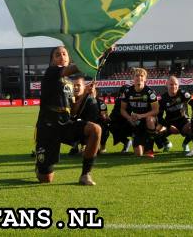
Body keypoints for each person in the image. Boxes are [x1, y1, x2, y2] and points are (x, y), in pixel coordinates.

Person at [34, 46, 101, 186]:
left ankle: (85, 174)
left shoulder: (69, 82)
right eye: (57, 55)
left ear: (68, 58)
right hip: (48, 128)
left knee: (95, 129)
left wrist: (84, 95)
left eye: (64, 54)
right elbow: (74, 68)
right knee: (45, 179)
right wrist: (96, 55)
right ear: (52, 60)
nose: (62, 56)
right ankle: (40, 167)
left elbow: (74, 110)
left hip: (65, 123)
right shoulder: (51, 72)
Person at [155, 76, 193, 157]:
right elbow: (159, 117)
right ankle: (166, 143)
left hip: (184, 121)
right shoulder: (163, 99)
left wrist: (192, 120)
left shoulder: (183, 93)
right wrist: (169, 126)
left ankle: (185, 144)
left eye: (175, 84)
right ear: (167, 85)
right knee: (156, 129)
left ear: (178, 85)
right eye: (171, 84)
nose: (173, 86)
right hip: (169, 122)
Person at [119, 68, 159, 158]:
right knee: (138, 154)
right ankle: (141, 143)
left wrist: (141, 116)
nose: (139, 78)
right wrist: (129, 118)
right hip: (135, 122)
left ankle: (149, 149)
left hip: (148, 120)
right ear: (133, 78)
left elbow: (156, 110)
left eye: (141, 76)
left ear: (145, 79)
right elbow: (122, 110)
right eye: (137, 75)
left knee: (150, 120)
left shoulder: (150, 92)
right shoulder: (127, 92)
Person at [68, 74, 103, 156]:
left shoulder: (91, 101)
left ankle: (91, 145)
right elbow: (72, 114)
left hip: (90, 128)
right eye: (73, 85)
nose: (75, 87)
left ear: (84, 87)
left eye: (78, 85)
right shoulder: (69, 98)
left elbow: (93, 122)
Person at [108, 83, 134, 153]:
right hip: (122, 124)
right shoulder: (119, 101)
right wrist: (108, 119)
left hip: (134, 124)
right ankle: (126, 142)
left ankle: (143, 145)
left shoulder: (135, 100)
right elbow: (114, 113)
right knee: (111, 126)